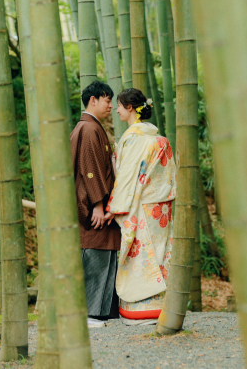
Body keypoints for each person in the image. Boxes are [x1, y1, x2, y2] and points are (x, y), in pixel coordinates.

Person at [104, 88, 177, 325]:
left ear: (130, 108)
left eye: (119, 105)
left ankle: (139, 311)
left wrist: (113, 207)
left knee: (141, 256)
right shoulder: (160, 140)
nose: (116, 110)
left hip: (141, 206)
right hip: (161, 209)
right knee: (159, 253)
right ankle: (161, 308)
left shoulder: (133, 140)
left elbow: (126, 177)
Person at [70, 80, 121, 328]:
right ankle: (89, 314)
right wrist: (99, 205)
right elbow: (89, 170)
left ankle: (98, 313)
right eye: (107, 100)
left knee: (102, 254)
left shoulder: (91, 127)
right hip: (92, 207)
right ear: (93, 100)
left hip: (97, 203)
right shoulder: (89, 129)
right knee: (94, 255)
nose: (111, 105)